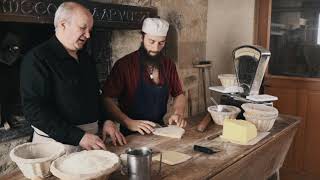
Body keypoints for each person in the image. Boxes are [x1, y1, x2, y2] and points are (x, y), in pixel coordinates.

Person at [20, 2, 126, 153]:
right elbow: (34, 110)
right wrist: (78, 137)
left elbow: (95, 96)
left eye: (89, 30)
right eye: (83, 28)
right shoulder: (37, 59)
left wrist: (106, 121)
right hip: (56, 145)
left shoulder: (86, 58)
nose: (88, 35)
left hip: (91, 140)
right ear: (63, 25)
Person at [103, 17, 186, 136]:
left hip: (159, 129)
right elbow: (107, 99)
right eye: (151, 41)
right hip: (130, 132)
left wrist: (178, 113)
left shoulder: (168, 64)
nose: (156, 48)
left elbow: (179, 94)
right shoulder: (124, 65)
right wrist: (128, 122)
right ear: (142, 38)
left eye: (161, 43)